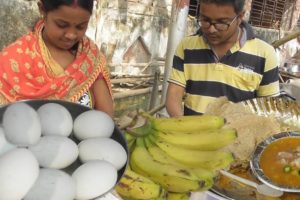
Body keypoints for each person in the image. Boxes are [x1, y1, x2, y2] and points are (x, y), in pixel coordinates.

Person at [0, 0, 114, 117]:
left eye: (81, 26)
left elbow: (105, 116)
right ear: (42, 10)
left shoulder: (90, 56)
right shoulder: (14, 59)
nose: (71, 34)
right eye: (61, 25)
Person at [166, 0, 280, 116]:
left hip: (240, 134)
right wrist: (182, 128)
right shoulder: (187, 47)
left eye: (221, 23)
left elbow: (269, 110)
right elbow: (174, 95)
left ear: (240, 17)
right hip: (189, 132)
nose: (211, 29)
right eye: (205, 20)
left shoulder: (265, 54)